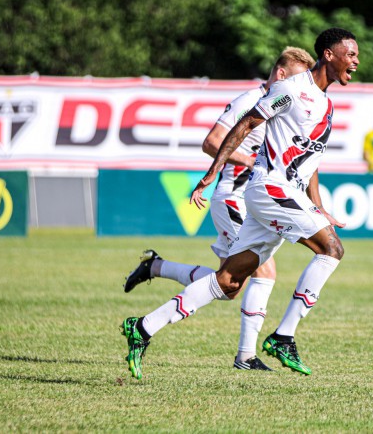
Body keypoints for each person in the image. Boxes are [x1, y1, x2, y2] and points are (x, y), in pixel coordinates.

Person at [120, 27, 359, 378]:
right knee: (331, 249)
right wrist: (212, 172)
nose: (355, 61)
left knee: (229, 281)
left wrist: (319, 206)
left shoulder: (325, 104)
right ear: (329, 54)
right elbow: (247, 123)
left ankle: (142, 328)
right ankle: (283, 337)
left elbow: (311, 164)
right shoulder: (291, 90)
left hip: (283, 193)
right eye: (350, 54)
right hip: (269, 189)